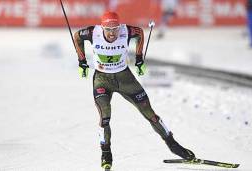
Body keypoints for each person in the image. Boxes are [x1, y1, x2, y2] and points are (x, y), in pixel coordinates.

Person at [73, 11, 195, 170]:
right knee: (105, 118)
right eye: (108, 29)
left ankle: (173, 145)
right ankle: (106, 153)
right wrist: (82, 61)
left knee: (150, 113)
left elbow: (140, 33)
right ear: (101, 27)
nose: (112, 33)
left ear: (119, 26)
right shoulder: (92, 32)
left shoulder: (127, 31)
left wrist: (139, 59)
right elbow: (76, 36)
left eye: (115, 29)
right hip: (102, 79)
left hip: (125, 79)